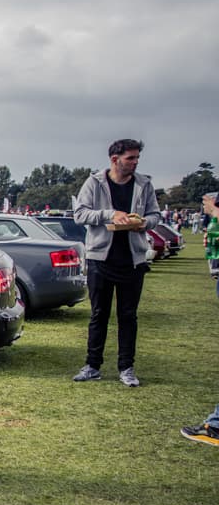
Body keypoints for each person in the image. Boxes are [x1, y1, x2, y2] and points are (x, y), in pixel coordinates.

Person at [72, 140, 160, 387]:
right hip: (100, 259)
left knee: (128, 316)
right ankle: (92, 365)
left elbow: (155, 215)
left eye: (137, 158)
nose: (135, 162)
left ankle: (127, 368)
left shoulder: (144, 184)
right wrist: (110, 214)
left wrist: (144, 223)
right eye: (130, 158)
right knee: (98, 314)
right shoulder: (94, 183)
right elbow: (80, 214)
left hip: (132, 260)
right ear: (114, 159)